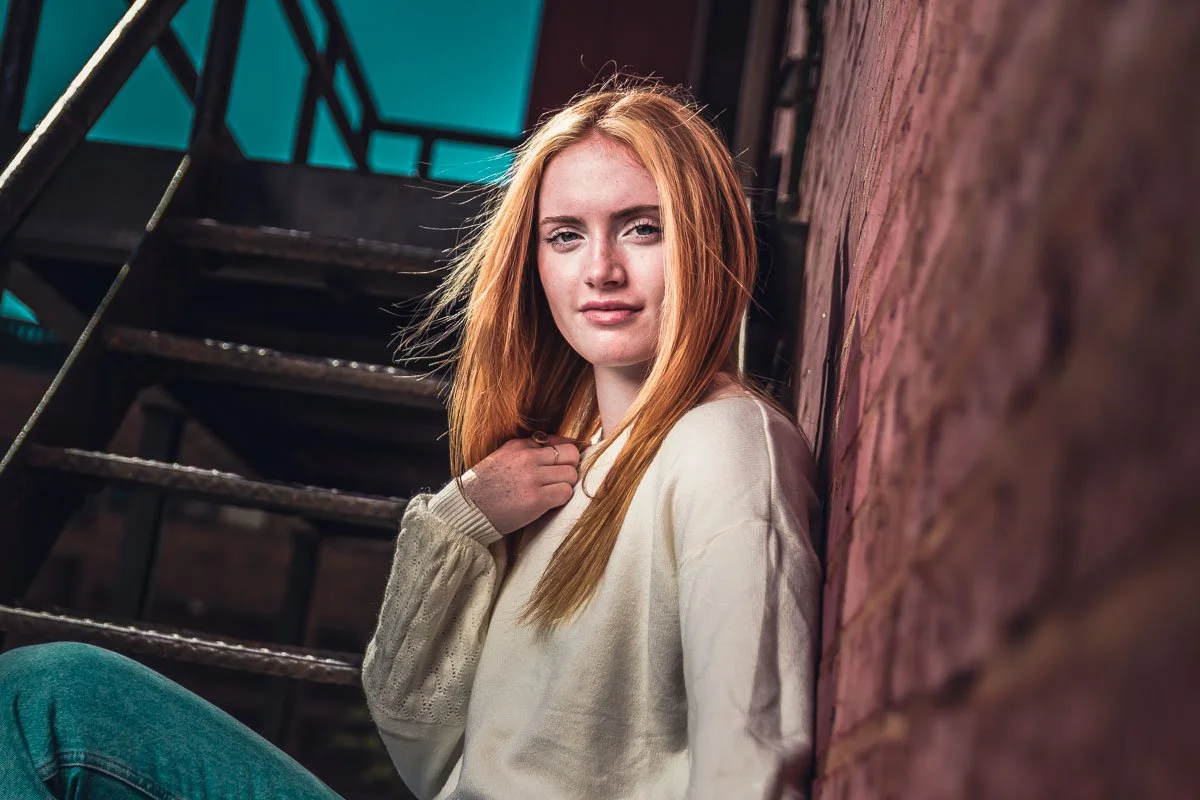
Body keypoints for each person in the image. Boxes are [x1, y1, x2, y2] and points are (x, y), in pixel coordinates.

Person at [0, 82, 820, 800]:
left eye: (641, 228)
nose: (599, 269)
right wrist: (462, 522)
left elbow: (748, 754)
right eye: (566, 235)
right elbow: (418, 742)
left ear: (708, 240)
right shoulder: (566, 459)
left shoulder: (722, 446)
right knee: (50, 699)